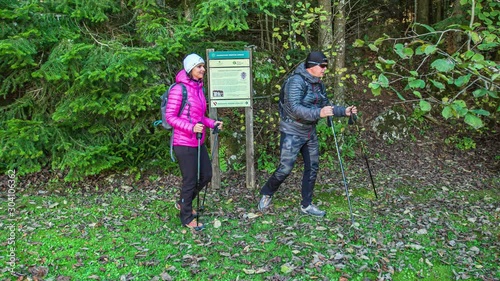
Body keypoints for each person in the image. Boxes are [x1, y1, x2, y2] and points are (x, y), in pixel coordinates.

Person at [258, 51, 357, 217]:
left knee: (312, 168)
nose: (325, 69)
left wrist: (344, 111)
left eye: (326, 66)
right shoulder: (295, 82)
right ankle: (267, 192)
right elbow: (295, 109)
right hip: (292, 131)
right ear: (311, 66)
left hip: (309, 131)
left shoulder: (318, 84)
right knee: (285, 168)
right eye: (322, 66)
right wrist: (319, 113)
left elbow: (326, 105)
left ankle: (307, 204)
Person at [166, 53, 223, 230]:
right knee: (190, 179)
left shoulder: (198, 88)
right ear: (190, 69)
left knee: (206, 175)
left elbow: (199, 117)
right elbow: (170, 117)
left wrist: (212, 123)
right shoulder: (179, 89)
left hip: (197, 141)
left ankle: (184, 203)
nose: (203, 69)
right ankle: (186, 217)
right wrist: (191, 128)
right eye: (199, 67)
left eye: (203, 66)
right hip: (183, 142)